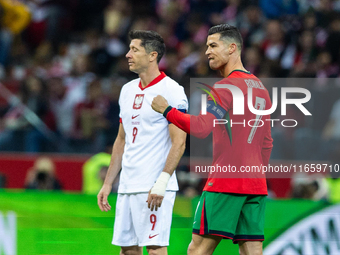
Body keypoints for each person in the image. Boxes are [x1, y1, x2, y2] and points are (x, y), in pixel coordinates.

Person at [152, 24, 273, 255]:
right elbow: (267, 142)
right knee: (252, 250)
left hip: (226, 181)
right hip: (255, 183)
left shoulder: (225, 87)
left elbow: (201, 128)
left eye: (213, 45)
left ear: (232, 48)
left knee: (197, 250)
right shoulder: (260, 88)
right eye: (207, 46)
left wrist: (166, 110)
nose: (207, 51)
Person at [97, 30, 187, 255]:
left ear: (152, 55)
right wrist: (109, 183)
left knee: (155, 249)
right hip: (127, 184)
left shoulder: (172, 90)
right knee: (127, 250)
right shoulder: (127, 90)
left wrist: (162, 182)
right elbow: (121, 139)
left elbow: (179, 142)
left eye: (134, 49)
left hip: (153, 186)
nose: (127, 54)